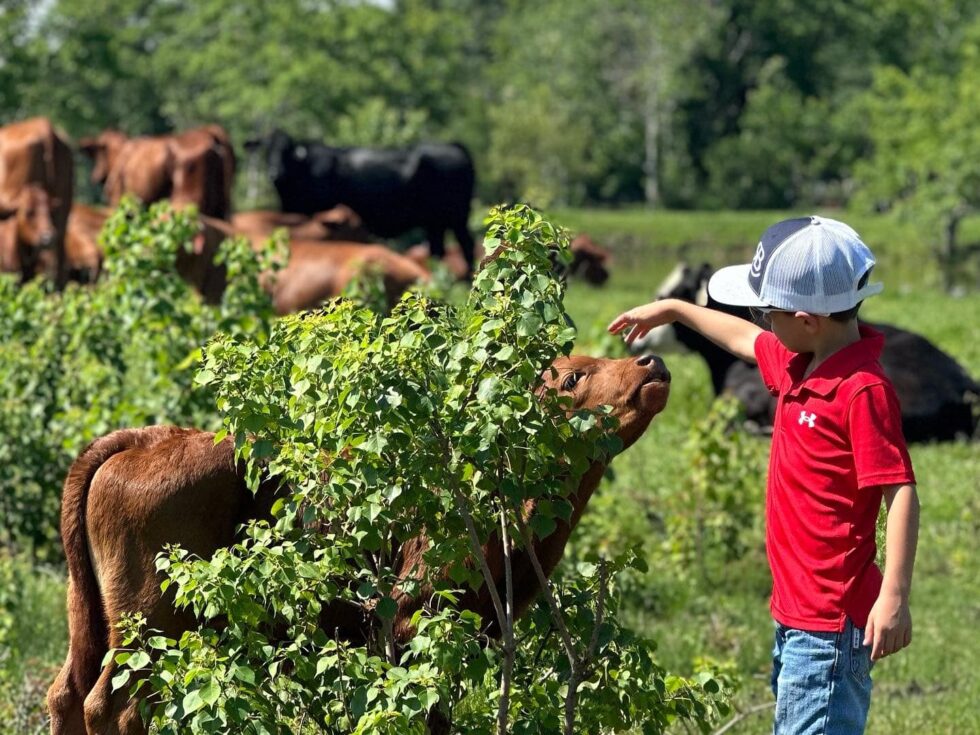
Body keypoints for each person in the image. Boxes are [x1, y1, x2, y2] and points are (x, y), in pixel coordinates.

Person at [608, 216, 919, 735]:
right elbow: (742, 338)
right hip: (796, 613)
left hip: (830, 624)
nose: (760, 321)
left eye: (766, 310)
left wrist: (894, 596)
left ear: (806, 318)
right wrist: (676, 309)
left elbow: (899, 490)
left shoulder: (862, 390)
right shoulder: (803, 364)